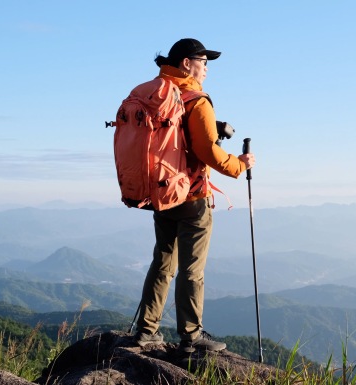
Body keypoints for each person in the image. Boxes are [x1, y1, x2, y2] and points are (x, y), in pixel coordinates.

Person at [133, 38, 255, 353]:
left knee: (162, 261)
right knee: (192, 268)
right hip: (191, 195)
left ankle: (146, 330)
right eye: (203, 62)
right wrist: (238, 165)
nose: (206, 70)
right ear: (187, 63)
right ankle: (191, 335)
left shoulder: (152, 93)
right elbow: (207, 151)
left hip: (160, 193)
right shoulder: (196, 99)